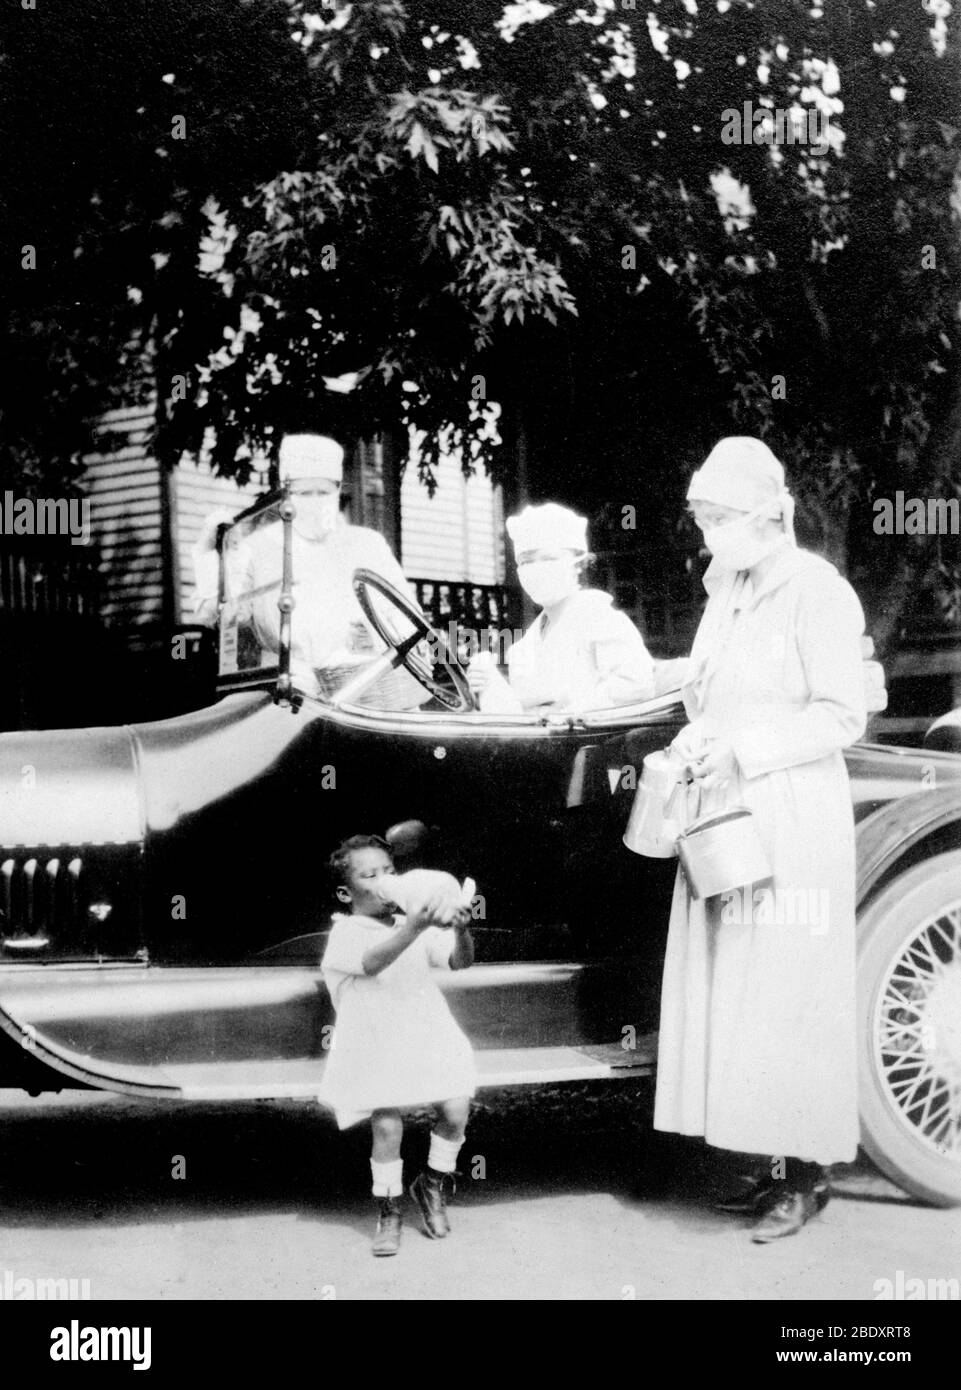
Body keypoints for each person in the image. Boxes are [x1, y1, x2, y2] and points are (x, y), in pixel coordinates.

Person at [652, 436, 868, 1242]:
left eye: (714, 517)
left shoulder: (817, 590)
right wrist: (696, 741)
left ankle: (806, 1177)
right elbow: (706, 694)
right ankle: (767, 1163)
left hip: (791, 810)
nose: (705, 532)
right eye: (701, 517)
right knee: (737, 991)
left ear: (759, 515)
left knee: (786, 993)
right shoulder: (728, 590)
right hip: (728, 810)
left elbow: (841, 714)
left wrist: (745, 746)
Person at [318, 835, 476, 1257]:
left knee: (456, 1108)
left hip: (425, 1032)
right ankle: (389, 1209)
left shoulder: (411, 923)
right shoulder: (346, 931)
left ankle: (432, 1182)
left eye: (390, 871)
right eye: (370, 875)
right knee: (387, 1126)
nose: (386, 880)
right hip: (375, 1044)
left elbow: (460, 962)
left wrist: (460, 928)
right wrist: (415, 926)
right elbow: (372, 962)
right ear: (345, 892)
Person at [192, 433, 423, 704]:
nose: (315, 502)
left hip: (368, 692)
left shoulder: (367, 544)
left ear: (338, 491)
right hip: (288, 698)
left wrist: (373, 643)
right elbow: (220, 617)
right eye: (304, 493)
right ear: (286, 494)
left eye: (323, 492)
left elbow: (408, 619)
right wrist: (212, 557)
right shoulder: (257, 548)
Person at [468, 502, 655, 714]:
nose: (537, 569)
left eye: (549, 558)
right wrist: (486, 685)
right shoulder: (529, 642)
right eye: (527, 561)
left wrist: (570, 715)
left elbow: (636, 685)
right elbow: (526, 710)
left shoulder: (600, 618)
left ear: (577, 564)